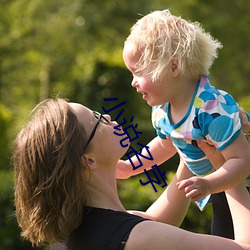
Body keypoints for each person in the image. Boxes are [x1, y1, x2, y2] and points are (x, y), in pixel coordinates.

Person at [13, 98, 250, 250]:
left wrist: (190, 138)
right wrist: (226, 165)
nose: (107, 116)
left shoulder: (73, 233)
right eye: (97, 120)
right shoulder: (138, 238)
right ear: (88, 160)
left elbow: (156, 221)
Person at [119, 9, 250, 238]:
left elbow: (242, 160)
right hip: (221, 189)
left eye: (138, 72)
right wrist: (130, 166)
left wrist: (209, 184)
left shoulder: (211, 109)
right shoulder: (163, 110)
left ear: (173, 67)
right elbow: (166, 145)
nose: (133, 83)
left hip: (239, 186)